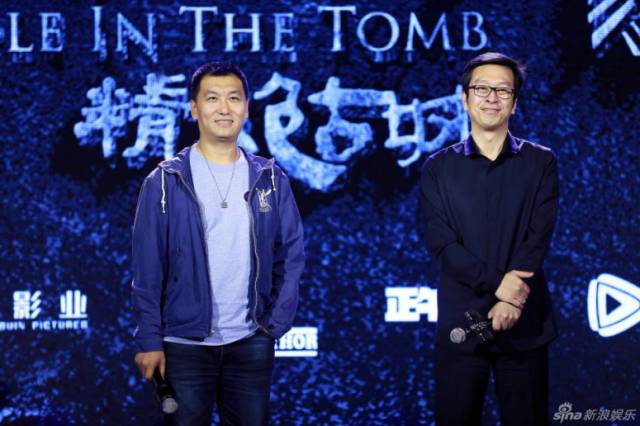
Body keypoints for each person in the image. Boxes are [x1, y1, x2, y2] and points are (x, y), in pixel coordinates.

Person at [131, 61, 305, 425]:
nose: (224, 109)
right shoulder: (164, 182)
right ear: (194, 108)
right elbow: (147, 270)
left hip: (250, 341)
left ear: (247, 107)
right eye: (212, 99)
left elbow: (290, 256)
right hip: (184, 345)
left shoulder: (271, 178)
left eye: (233, 98)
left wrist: (273, 325)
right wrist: (150, 339)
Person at [419, 52, 558, 425]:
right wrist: (502, 288)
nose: (491, 98)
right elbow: (441, 243)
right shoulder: (437, 168)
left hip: (524, 324)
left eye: (502, 90)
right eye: (481, 89)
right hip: (461, 327)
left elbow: (539, 233)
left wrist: (513, 299)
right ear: (465, 99)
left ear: (515, 103)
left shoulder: (541, 162)